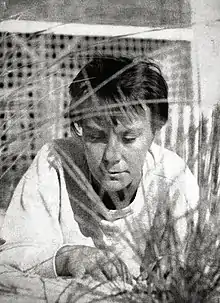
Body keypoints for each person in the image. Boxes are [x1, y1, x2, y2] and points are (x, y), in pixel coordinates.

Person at [0, 55, 199, 281]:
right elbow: (12, 255)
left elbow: (193, 265)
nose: (111, 156)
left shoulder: (174, 179)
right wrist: (67, 257)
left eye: (129, 138)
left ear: (156, 128)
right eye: (96, 136)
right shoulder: (54, 162)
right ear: (79, 127)